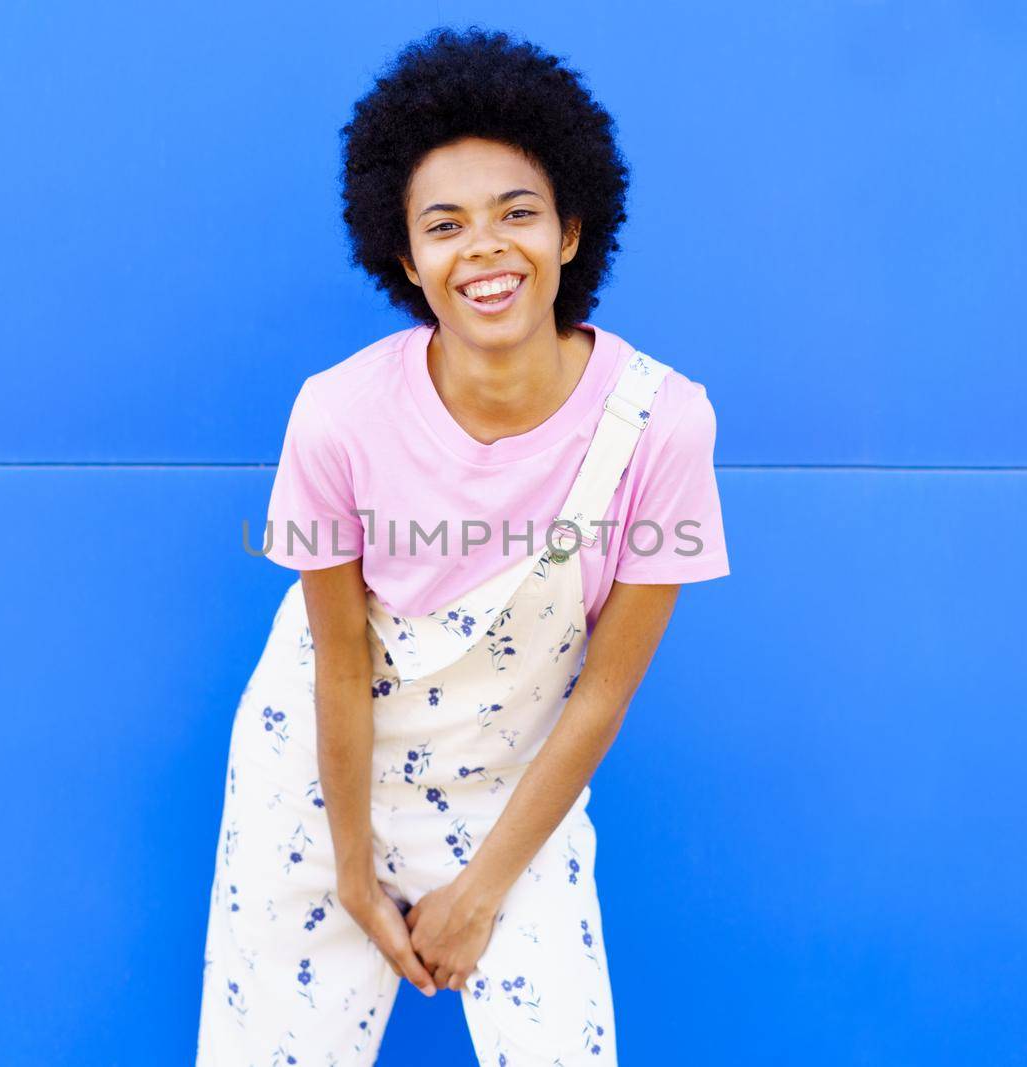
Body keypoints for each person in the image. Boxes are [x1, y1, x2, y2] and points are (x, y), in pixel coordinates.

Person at [196, 25, 729, 1066]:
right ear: (405, 258)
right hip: (315, 789)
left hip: (512, 800)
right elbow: (337, 665)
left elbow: (602, 693)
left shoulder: (662, 422)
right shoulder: (335, 414)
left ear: (571, 231)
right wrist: (353, 869)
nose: (484, 247)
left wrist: (481, 888)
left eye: (516, 213)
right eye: (445, 225)